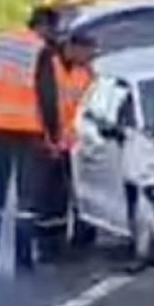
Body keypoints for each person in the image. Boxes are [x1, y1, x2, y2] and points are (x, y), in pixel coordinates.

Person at [0, 7, 62, 275]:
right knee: (27, 197)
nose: (54, 36)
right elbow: (47, 97)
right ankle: (23, 258)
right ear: (45, 26)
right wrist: (54, 136)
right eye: (53, 30)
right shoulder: (40, 50)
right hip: (28, 129)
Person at [35, 32, 95, 263]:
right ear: (73, 47)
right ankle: (48, 246)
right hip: (51, 141)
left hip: (78, 143)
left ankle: (81, 239)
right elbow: (46, 102)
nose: (90, 58)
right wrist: (50, 138)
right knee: (51, 198)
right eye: (87, 53)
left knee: (80, 193)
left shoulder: (86, 72)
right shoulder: (50, 64)